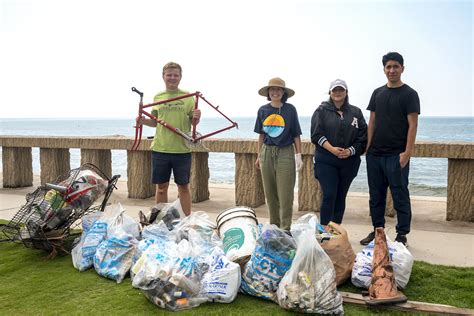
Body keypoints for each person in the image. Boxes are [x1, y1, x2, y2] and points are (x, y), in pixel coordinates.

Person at [360, 52, 420, 247]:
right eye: (388, 67)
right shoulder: (377, 93)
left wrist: (407, 152)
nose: (392, 70)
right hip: (375, 155)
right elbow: (372, 121)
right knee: (375, 195)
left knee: (400, 194)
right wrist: (368, 148)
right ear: (384, 69)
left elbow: (413, 125)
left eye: (395, 66)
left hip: (397, 155)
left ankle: (402, 234)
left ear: (402, 68)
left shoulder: (410, 94)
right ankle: (378, 231)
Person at [138, 62, 201, 216]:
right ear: (163, 76)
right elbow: (155, 121)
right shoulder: (158, 97)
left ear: (180, 77)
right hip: (160, 148)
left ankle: (186, 219)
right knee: (161, 187)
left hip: (182, 149)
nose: (172, 78)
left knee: (184, 187)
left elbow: (193, 122)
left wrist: (197, 116)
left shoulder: (188, 97)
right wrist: (142, 121)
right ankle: (160, 219)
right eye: (169, 75)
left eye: (176, 75)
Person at [310, 79, 367, 226]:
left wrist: (350, 151)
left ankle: (335, 230)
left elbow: (363, 136)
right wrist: (333, 150)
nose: (338, 92)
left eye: (341, 90)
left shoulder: (356, 112)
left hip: (349, 161)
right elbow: (316, 135)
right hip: (326, 160)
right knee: (329, 195)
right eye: (335, 90)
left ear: (346, 92)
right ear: (330, 92)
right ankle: (323, 231)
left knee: (341, 197)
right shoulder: (321, 110)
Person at [254, 77, 303, 231]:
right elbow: (261, 135)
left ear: (283, 92)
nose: (275, 92)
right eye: (272, 89)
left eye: (279, 89)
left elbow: (296, 134)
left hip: (286, 152)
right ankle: (274, 226)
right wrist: (258, 155)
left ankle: (285, 228)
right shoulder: (263, 110)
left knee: (285, 193)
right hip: (267, 151)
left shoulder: (290, 109)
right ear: (269, 92)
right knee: (270, 192)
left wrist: (298, 155)